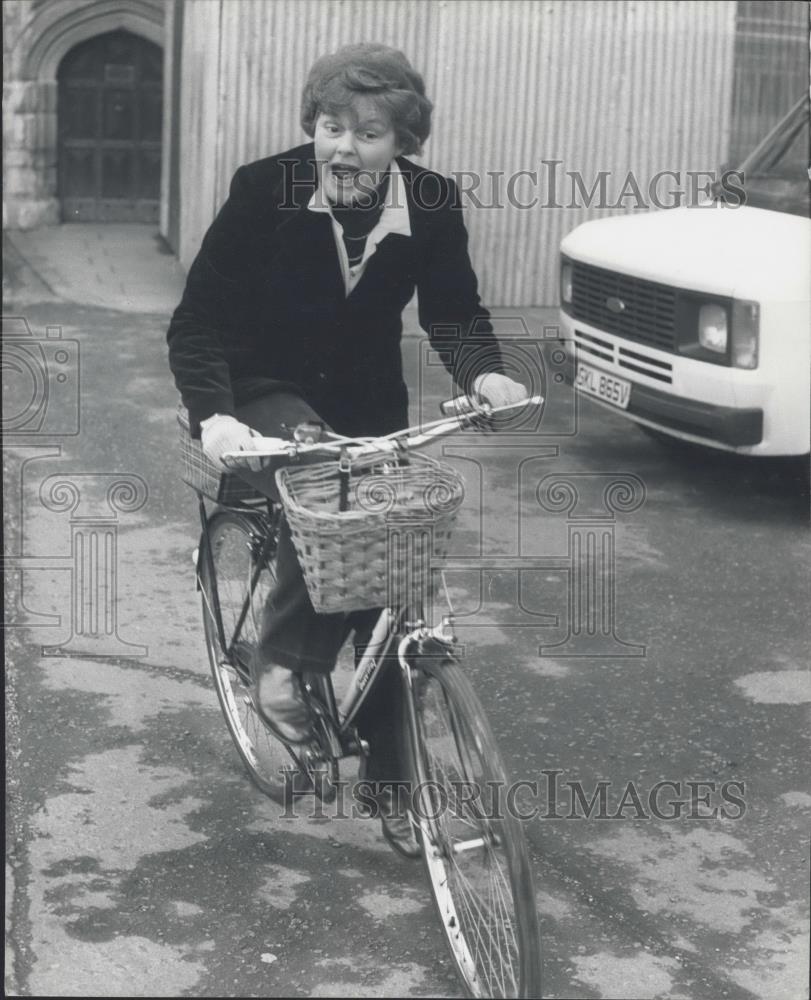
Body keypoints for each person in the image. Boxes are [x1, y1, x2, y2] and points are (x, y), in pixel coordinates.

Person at [167, 42, 525, 854]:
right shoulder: (266, 190)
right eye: (331, 127)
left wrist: (490, 377)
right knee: (332, 484)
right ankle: (283, 670)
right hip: (259, 391)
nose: (343, 149)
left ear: (402, 143)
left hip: (365, 404)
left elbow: (455, 314)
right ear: (312, 127)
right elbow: (196, 322)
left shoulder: (430, 202)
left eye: (367, 134)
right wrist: (213, 415)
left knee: (387, 581)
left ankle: (396, 788)